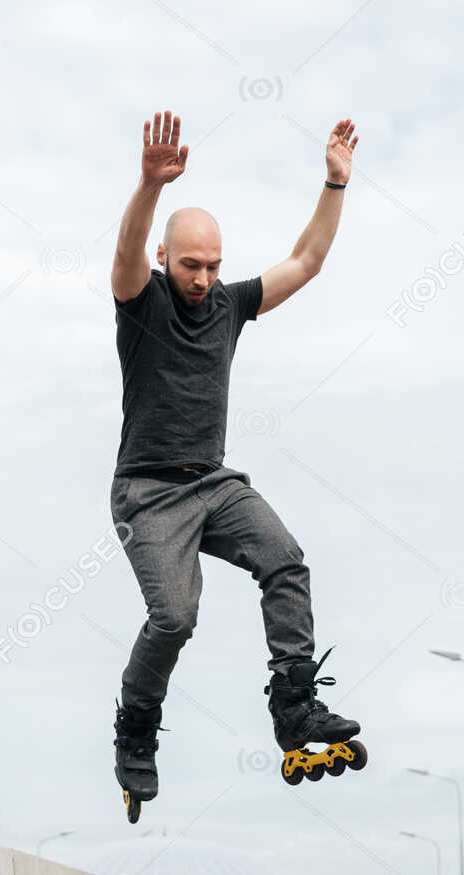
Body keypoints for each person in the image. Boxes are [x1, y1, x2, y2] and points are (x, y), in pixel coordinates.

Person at [108, 107, 364, 806]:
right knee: (175, 618)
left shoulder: (230, 303)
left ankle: (293, 702)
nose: (203, 278)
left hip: (215, 486)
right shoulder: (142, 299)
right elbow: (127, 250)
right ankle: (137, 728)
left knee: (285, 557)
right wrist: (149, 185)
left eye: (213, 265)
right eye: (191, 264)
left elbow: (306, 261)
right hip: (147, 494)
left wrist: (334, 184)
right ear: (168, 259)